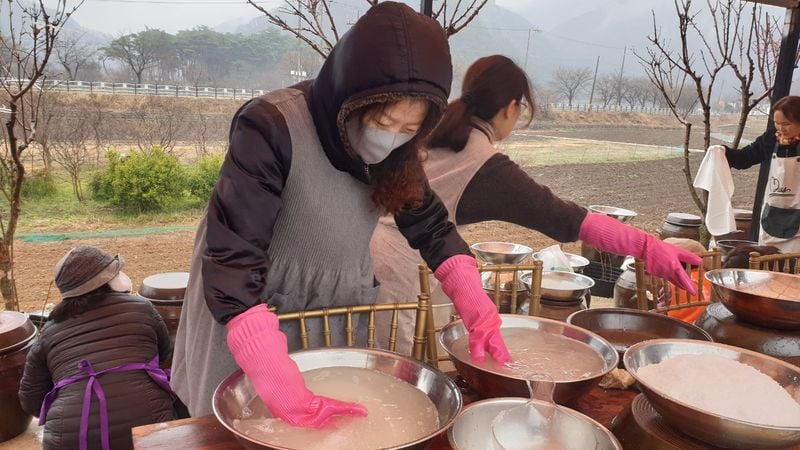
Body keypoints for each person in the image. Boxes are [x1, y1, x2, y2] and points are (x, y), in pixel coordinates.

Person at [171, 2, 514, 425]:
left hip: (333, 314)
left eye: (409, 129)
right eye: (383, 120)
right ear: (350, 97)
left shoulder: (398, 155)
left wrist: (474, 301)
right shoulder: (271, 126)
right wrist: (272, 371)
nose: (390, 139)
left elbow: (430, 225)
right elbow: (233, 254)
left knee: (327, 424)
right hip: (250, 314)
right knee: (243, 422)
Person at [370, 55, 703, 353]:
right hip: (400, 267)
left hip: (378, 253)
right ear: (511, 107)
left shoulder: (436, 130)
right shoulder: (483, 165)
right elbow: (564, 217)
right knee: (392, 364)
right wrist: (646, 245)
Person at [18, 246, 176, 450]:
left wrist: (65, 411)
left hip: (69, 438)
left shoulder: (49, 330)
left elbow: (30, 398)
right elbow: (164, 352)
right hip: (149, 427)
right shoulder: (142, 307)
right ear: (108, 280)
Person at [713, 95, 800, 252]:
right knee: (768, 261)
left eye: (786, 124)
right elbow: (746, 158)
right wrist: (723, 152)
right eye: (777, 123)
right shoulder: (772, 138)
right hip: (773, 216)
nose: (780, 129)